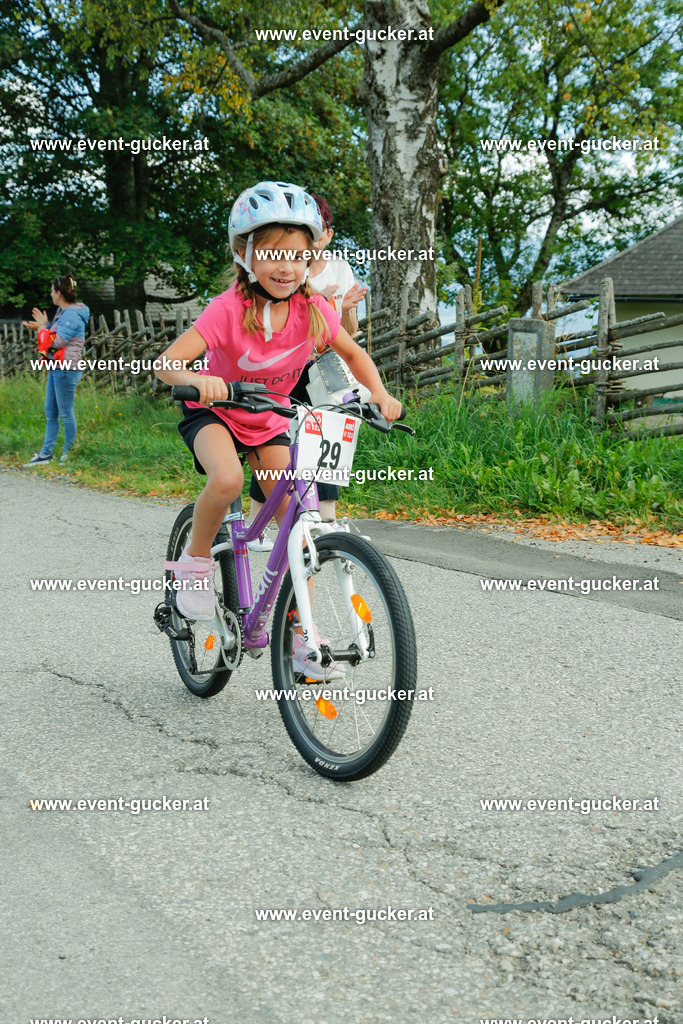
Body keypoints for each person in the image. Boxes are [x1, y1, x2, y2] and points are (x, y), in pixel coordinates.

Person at [154, 180, 401, 679]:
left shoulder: (313, 309)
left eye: (298, 255)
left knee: (297, 520)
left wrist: (379, 393)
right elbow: (166, 364)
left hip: (269, 418)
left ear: (312, 257)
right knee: (227, 481)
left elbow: (354, 354)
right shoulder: (228, 309)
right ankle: (195, 568)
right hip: (216, 413)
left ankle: (300, 638)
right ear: (243, 254)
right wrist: (199, 381)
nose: (286, 266)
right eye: (271, 253)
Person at [245, 192, 367, 550]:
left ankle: (325, 519)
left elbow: (350, 333)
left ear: (327, 234)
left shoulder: (339, 269)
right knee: (275, 435)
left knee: (328, 432)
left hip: (324, 365)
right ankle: (257, 521)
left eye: (318, 229)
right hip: (284, 364)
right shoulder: (284, 269)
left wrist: (343, 311)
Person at [22, 276, 89, 466]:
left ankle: (69, 453)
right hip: (57, 366)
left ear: (59, 293)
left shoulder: (71, 315)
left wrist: (42, 328)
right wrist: (44, 326)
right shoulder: (62, 312)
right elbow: (53, 336)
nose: (51, 294)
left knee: (66, 412)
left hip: (67, 368)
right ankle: (46, 454)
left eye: (52, 291)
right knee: (51, 411)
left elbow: (56, 342)